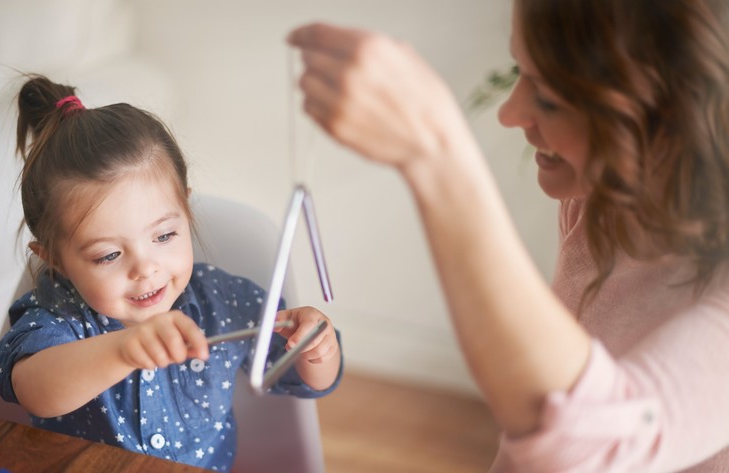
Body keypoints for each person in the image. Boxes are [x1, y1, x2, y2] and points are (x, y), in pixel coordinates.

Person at [288, 0, 729, 471]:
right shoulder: (603, 202)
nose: (510, 112)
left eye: (548, 98)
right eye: (520, 70)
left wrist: (437, 154)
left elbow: (592, 445)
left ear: (672, 115)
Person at [0, 75, 342, 472]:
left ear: (186, 212)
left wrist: (315, 346)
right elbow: (37, 390)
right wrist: (124, 349)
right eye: (108, 255)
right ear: (53, 259)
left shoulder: (224, 301)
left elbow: (307, 377)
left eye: (165, 235)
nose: (145, 268)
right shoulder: (56, 314)